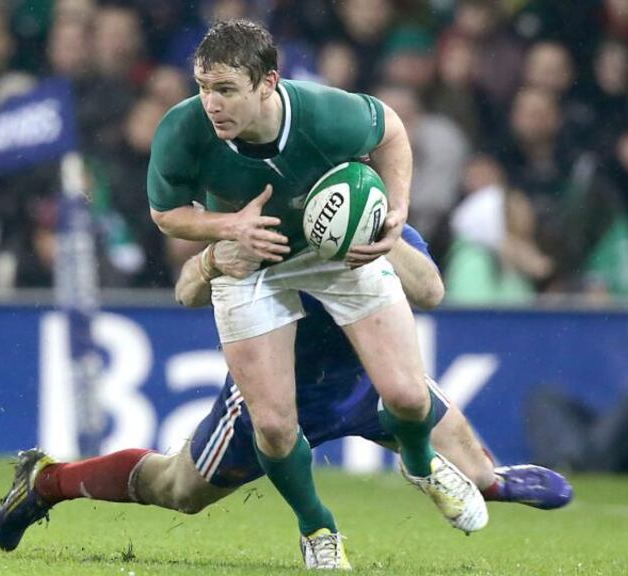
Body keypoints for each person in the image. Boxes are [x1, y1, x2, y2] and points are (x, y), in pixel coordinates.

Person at [0, 226, 574, 569]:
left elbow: (431, 290)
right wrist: (212, 257)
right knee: (178, 489)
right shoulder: (264, 228)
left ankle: (489, 479)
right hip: (274, 400)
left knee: (465, 467)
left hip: (369, 383)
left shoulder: (375, 219)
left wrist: (384, 240)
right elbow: (186, 291)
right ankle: (47, 480)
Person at [143, 19, 480, 566]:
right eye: (204, 87)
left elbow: (391, 129)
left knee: (410, 397)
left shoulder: (324, 114)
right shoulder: (182, 129)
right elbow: (165, 214)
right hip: (254, 259)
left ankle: (420, 466)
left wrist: (397, 211)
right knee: (274, 429)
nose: (211, 103)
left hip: (336, 251)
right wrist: (229, 230)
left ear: (268, 82)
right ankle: (317, 529)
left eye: (226, 89)